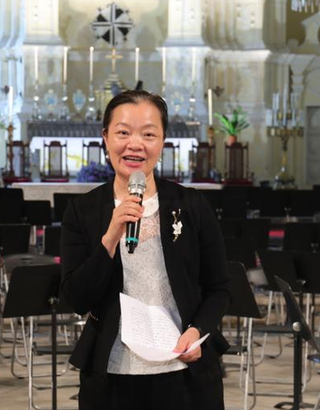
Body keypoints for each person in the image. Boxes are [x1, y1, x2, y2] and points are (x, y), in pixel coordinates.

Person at [61, 90, 230, 410]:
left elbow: (219, 287)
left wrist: (197, 331)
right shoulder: (82, 211)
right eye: (123, 132)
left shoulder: (191, 205)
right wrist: (110, 237)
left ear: (162, 141)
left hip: (184, 369)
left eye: (149, 134)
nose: (135, 144)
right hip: (111, 374)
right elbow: (76, 298)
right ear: (105, 138)